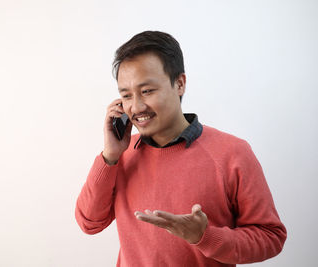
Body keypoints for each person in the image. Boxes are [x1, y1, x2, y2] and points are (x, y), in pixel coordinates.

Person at [75, 31, 286, 267]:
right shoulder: (121, 156)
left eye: (147, 91)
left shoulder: (232, 153)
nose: (136, 106)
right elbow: (89, 223)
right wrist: (110, 156)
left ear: (180, 84)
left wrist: (204, 237)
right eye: (126, 95)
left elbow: (271, 237)